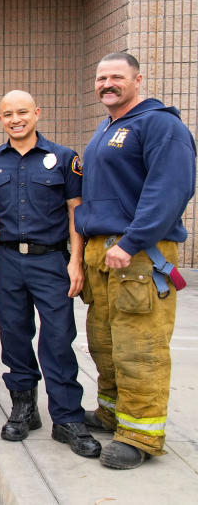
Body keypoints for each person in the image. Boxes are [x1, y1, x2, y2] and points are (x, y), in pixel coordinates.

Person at [76, 52, 196, 470]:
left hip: (139, 255)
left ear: (137, 79)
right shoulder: (106, 128)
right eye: (101, 77)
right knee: (105, 343)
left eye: (117, 77)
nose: (107, 84)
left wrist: (131, 241)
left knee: (139, 346)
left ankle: (141, 435)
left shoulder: (160, 124)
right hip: (103, 254)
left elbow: (170, 189)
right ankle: (112, 413)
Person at [0, 91, 100, 458]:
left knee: (59, 339)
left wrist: (75, 261)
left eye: (22, 112)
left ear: (37, 113)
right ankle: (23, 408)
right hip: (9, 261)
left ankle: (67, 418)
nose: (15, 119)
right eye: (7, 114)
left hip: (51, 262)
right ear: (0, 119)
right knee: (14, 336)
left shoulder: (63, 159)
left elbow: (75, 212)